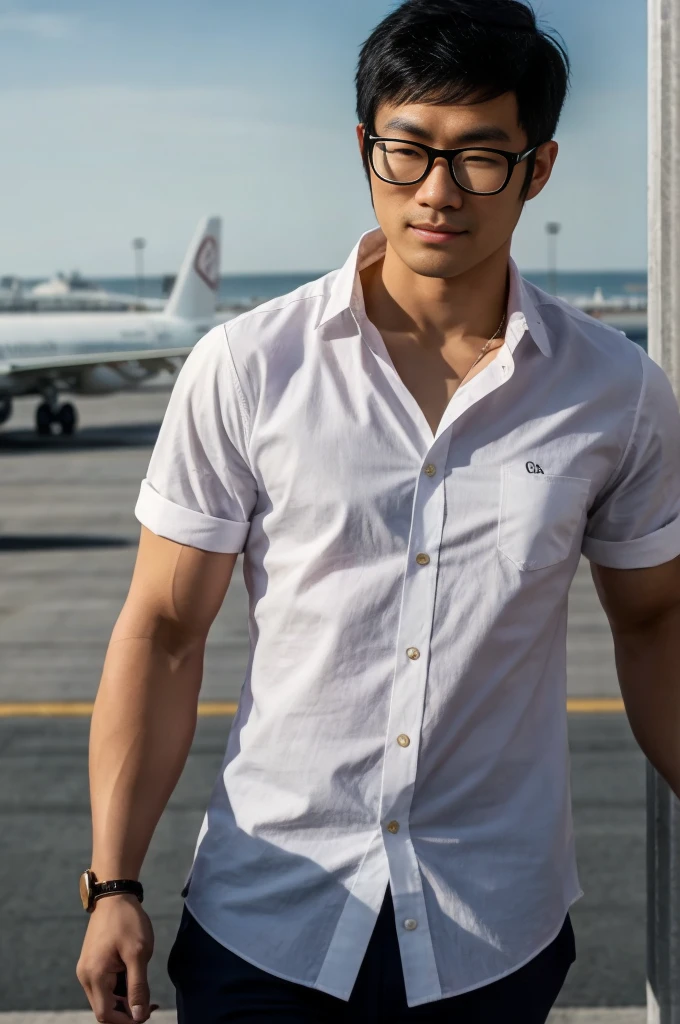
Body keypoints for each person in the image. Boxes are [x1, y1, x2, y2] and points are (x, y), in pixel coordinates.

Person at [76, 1, 680, 1021]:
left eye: (481, 156)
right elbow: (166, 630)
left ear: (537, 168)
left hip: (493, 926)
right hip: (267, 916)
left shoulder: (613, 391)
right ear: (365, 148)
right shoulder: (248, 366)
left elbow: (656, 623)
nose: (436, 191)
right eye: (406, 150)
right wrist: (113, 883)